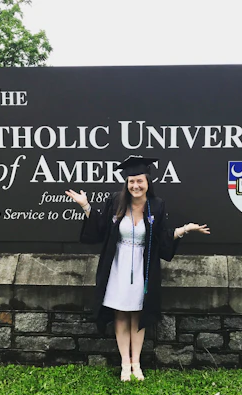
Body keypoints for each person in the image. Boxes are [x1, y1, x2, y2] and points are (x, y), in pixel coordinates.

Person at [65, 155, 210, 382]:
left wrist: (184, 229)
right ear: (126, 183)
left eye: (140, 181)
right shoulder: (116, 202)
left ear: (147, 182)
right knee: (121, 314)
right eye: (131, 182)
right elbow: (101, 229)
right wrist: (85, 206)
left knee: (138, 315)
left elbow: (162, 238)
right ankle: (124, 363)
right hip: (118, 265)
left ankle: (136, 363)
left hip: (143, 267)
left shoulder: (157, 205)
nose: (135, 186)